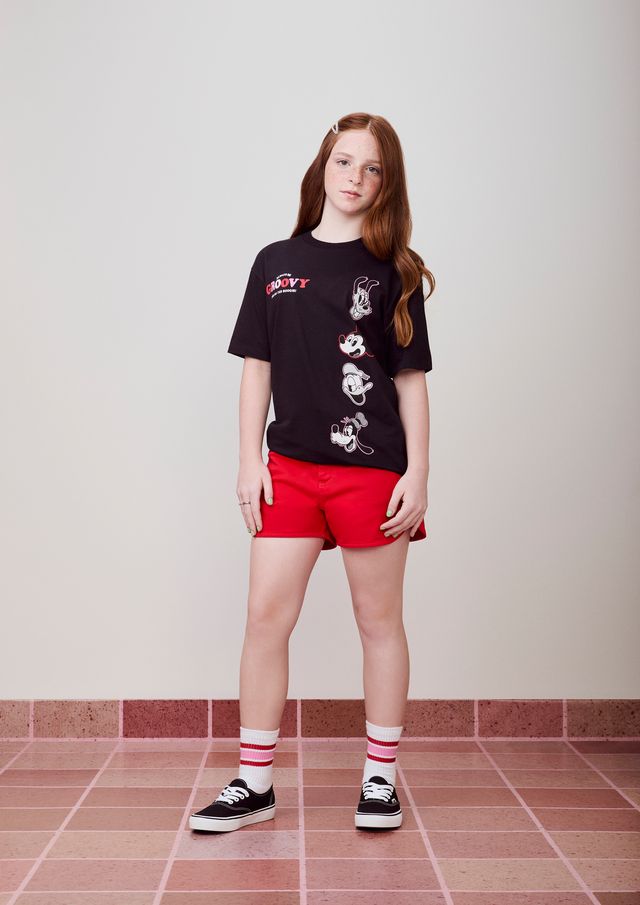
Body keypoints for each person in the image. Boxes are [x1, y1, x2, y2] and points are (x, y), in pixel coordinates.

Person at [189, 112, 435, 835]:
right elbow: (255, 369)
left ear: (386, 184)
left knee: (378, 621)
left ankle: (380, 780)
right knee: (265, 618)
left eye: (372, 168)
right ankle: (254, 782)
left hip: (373, 472)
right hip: (290, 470)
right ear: (322, 168)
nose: (355, 177)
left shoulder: (396, 271)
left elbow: (411, 380)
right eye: (344, 161)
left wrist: (419, 473)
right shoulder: (275, 263)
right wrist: (249, 462)